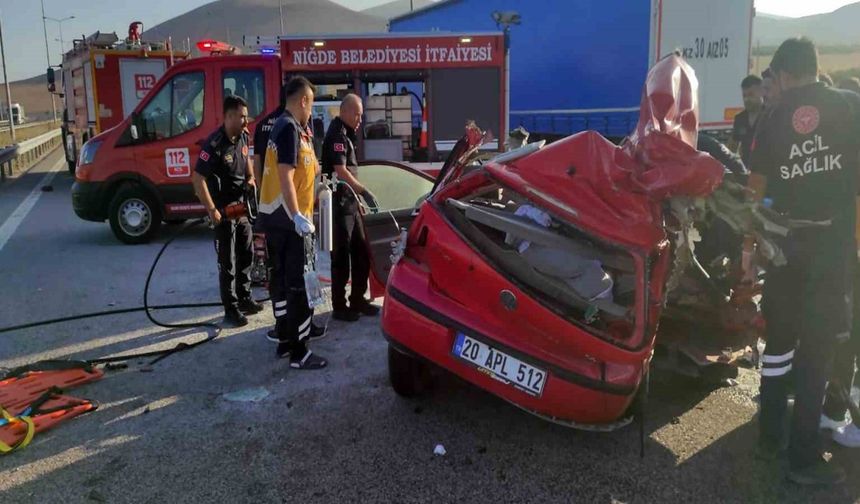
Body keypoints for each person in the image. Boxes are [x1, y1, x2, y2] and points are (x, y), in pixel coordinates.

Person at [750, 37, 860, 486]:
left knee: (777, 345)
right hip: (832, 248)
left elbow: (754, 192)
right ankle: (802, 459)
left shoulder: (772, 117)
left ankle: (768, 438)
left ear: (785, 74)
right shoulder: (850, 107)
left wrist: (749, 248)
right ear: (815, 67)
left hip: (784, 246)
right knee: (817, 352)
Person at [258, 76, 327, 369]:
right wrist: (298, 215)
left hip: (278, 220)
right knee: (298, 284)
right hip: (288, 222)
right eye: (311, 105)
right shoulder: (288, 128)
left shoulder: (292, 128)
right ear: (303, 101)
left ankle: (286, 341)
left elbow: (301, 170)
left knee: (283, 282)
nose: (311, 111)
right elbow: (285, 174)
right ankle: (301, 352)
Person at [192, 95, 263, 327]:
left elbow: (248, 163)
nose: (246, 121)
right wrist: (211, 209)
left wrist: (251, 179)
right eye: (242, 116)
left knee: (247, 255)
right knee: (228, 262)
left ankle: (244, 299)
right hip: (223, 210)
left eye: (246, 116)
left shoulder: (243, 136)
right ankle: (230, 309)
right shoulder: (214, 144)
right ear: (229, 116)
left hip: (242, 207)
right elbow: (198, 178)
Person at [321, 94, 380, 322]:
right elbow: (341, 171)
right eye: (356, 114)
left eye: (361, 115)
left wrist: (358, 198)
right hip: (339, 205)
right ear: (344, 111)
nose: (360, 119)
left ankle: (357, 299)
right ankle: (339, 306)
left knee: (361, 252)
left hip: (350, 204)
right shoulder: (336, 134)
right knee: (341, 257)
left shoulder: (346, 133)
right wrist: (364, 191)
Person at [252, 83, 286, 184]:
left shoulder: (262, 124)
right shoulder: (293, 125)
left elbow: (257, 161)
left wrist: (260, 190)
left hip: (267, 190)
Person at [729, 75, 764, 164]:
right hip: (746, 171)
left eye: (751, 95)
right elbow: (731, 148)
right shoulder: (740, 119)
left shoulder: (771, 115)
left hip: (766, 171)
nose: (747, 99)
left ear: (761, 92)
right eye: (744, 95)